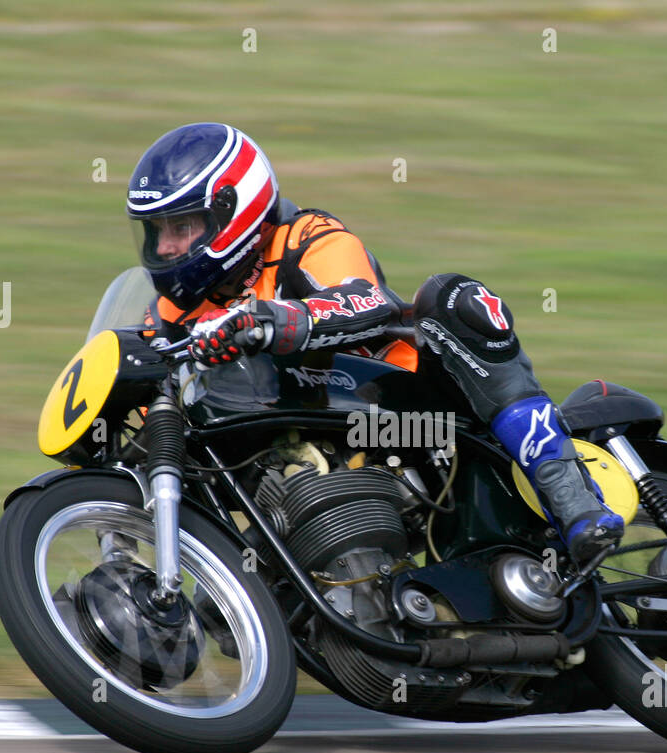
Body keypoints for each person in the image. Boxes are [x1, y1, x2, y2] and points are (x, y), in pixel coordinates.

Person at [126, 122, 624, 565]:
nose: (166, 247)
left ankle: (572, 498)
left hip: (409, 410)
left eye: (182, 227)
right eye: (158, 231)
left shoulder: (306, 237)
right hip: (302, 444)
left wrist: (267, 320)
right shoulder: (170, 313)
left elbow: (367, 301)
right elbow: (157, 395)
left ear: (233, 209)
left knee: (453, 297)